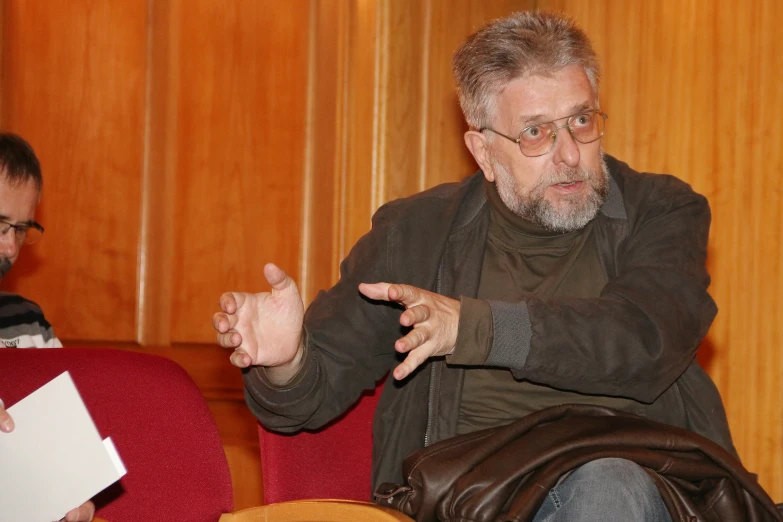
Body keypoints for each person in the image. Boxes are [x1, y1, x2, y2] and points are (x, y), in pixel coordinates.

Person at [213, 11, 735, 521]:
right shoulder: (414, 234)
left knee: (606, 484)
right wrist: (286, 360)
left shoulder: (661, 211)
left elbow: (644, 339)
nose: (570, 154)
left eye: (581, 120)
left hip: (633, 483)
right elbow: (314, 393)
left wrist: (476, 328)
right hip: (468, 498)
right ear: (482, 151)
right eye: (536, 133)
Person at [0, 133, 94, 522]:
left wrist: (81, 500)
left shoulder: (32, 326)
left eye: (21, 229)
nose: (10, 248)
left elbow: (71, 452)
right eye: (0, 225)